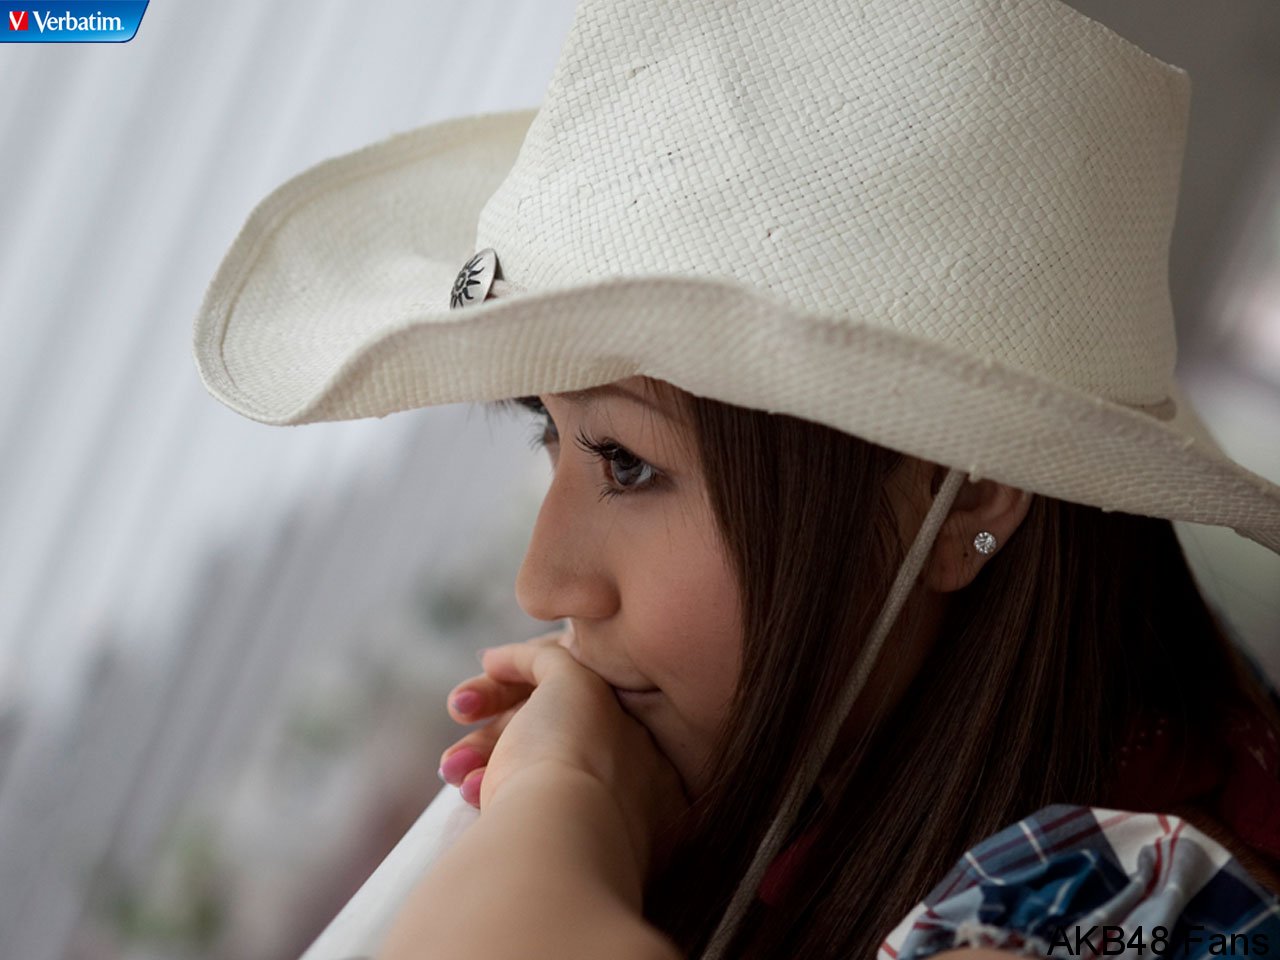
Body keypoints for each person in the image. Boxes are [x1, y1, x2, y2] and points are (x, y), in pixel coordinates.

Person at [191, 0, 1280, 956]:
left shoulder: (1123, 909)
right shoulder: (873, 772)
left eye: (627, 463)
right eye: (549, 439)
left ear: (965, 500)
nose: (544, 582)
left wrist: (564, 800)